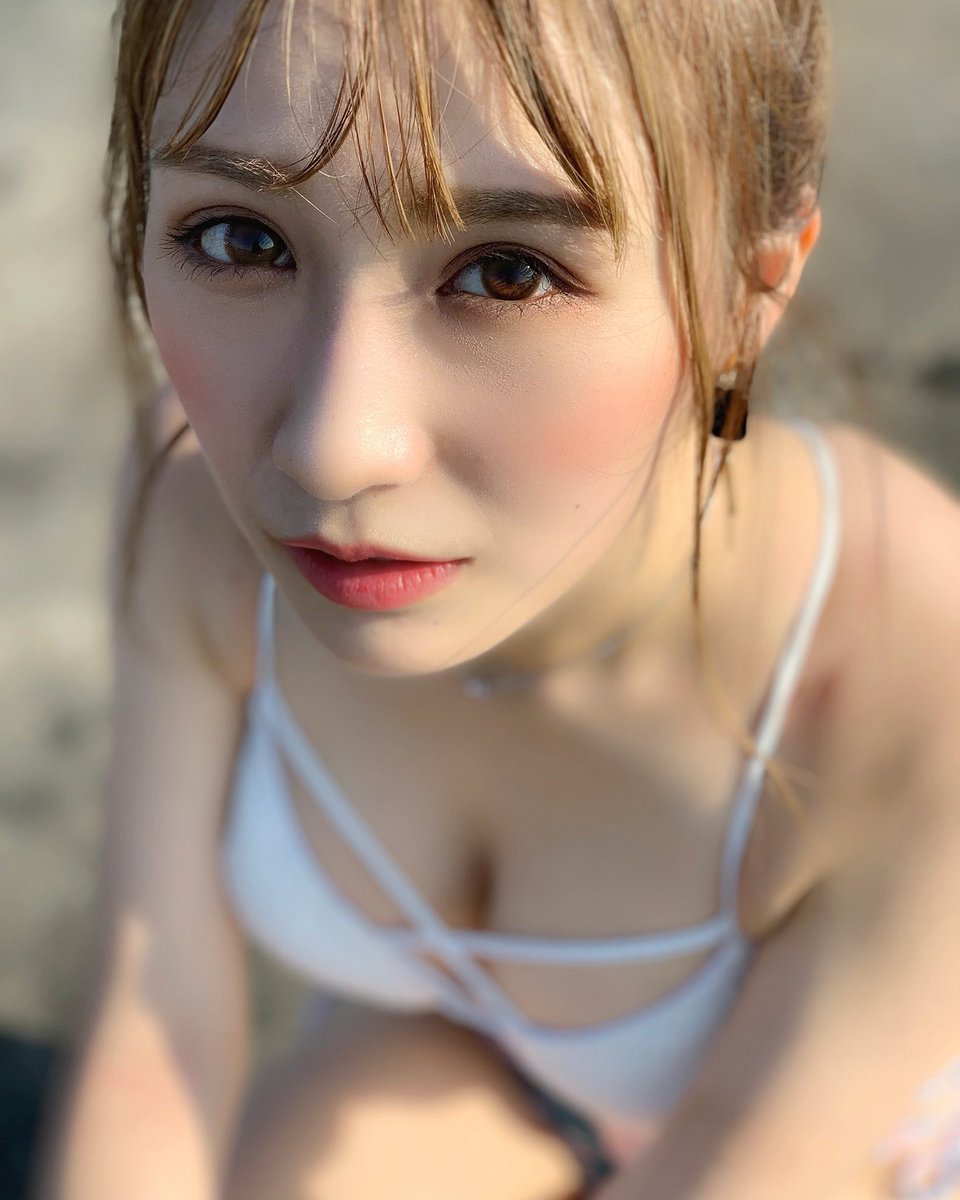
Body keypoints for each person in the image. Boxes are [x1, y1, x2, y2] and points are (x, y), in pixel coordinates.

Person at [39, 0, 960, 1197]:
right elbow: (152, 1029)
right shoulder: (191, 506)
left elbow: (744, 1164)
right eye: (240, 240)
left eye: (508, 271)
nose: (330, 449)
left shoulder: (909, 666)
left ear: (751, 288)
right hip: (469, 1063)